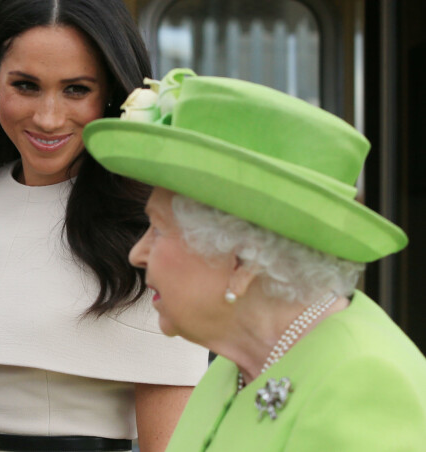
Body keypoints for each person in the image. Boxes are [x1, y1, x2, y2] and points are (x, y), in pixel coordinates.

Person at [0, 0, 208, 452]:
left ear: (110, 89)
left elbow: (167, 445)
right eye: (25, 85)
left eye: (75, 89)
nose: (47, 116)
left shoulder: (152, 223)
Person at [83, 68, 426, 451]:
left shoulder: (364, 382)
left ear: (243, 261)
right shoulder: (231, 368)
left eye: (158, 229)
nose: (137, 253)